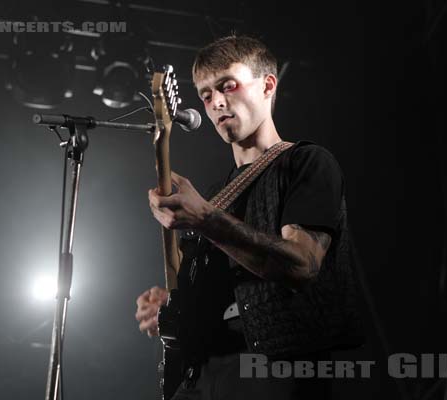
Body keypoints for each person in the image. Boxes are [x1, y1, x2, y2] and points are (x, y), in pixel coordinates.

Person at [135, 35, 364, 400]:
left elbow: (303, 265)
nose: (217, 103)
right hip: (202, 372)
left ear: (268, 85)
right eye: (206, 95)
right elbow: (221, 287)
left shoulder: (307, 163)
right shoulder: (215, 193)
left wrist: (205, 218)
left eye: (228, 85)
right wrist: (173, 303)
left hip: (270, 370)